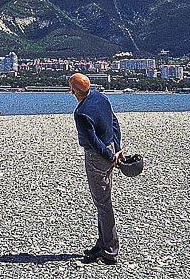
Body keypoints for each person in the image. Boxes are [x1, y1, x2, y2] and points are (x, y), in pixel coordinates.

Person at [69, 73, 122, 265]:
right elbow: (114, 123)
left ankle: (110, 251)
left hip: (97, 157)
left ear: (73, 91)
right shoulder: (101, 97)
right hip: (110, 149)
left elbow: (94, 143)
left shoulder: (81, 113)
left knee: (103, 204)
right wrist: (117, 148)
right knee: (103, 202)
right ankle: (102, 243)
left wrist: (110, 157)